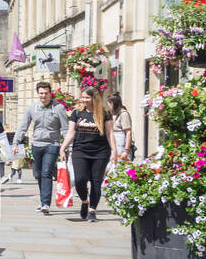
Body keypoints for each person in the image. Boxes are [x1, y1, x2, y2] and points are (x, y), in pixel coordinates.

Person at [13, 81, 71, 215]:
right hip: (37, 145)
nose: (43, 96)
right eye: (41, 93)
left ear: (50, 93)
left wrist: (68, 147)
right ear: (37, 93)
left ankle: (46, 203)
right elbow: (23, 126)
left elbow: (65, 128)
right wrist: (15, 143)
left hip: (52, 144)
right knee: (38, 174)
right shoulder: (32, 108)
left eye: (46, 93)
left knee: (46, 173)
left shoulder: (58, 108)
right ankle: (42, 200)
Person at [63, 88, 116, 222]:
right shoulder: (77, 113)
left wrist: (114, 151)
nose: (84, 100)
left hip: (100, 152)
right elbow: (71, 132)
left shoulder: (104, 113)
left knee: (96, 182)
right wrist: (63, 147)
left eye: (87, 98)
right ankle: (84, 201)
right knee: (80, 179)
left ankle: (92, 210)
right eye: (83, 97)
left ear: (94, 98)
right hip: (80, 151)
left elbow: (110, 133)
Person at [109, 93, 134, 161]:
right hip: (114, 145)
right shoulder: (114, 114)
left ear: (113, 104)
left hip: (121, 145)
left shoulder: (124, 114)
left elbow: (128, 132)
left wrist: (126, 151)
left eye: (109, 104)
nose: (108, 106)